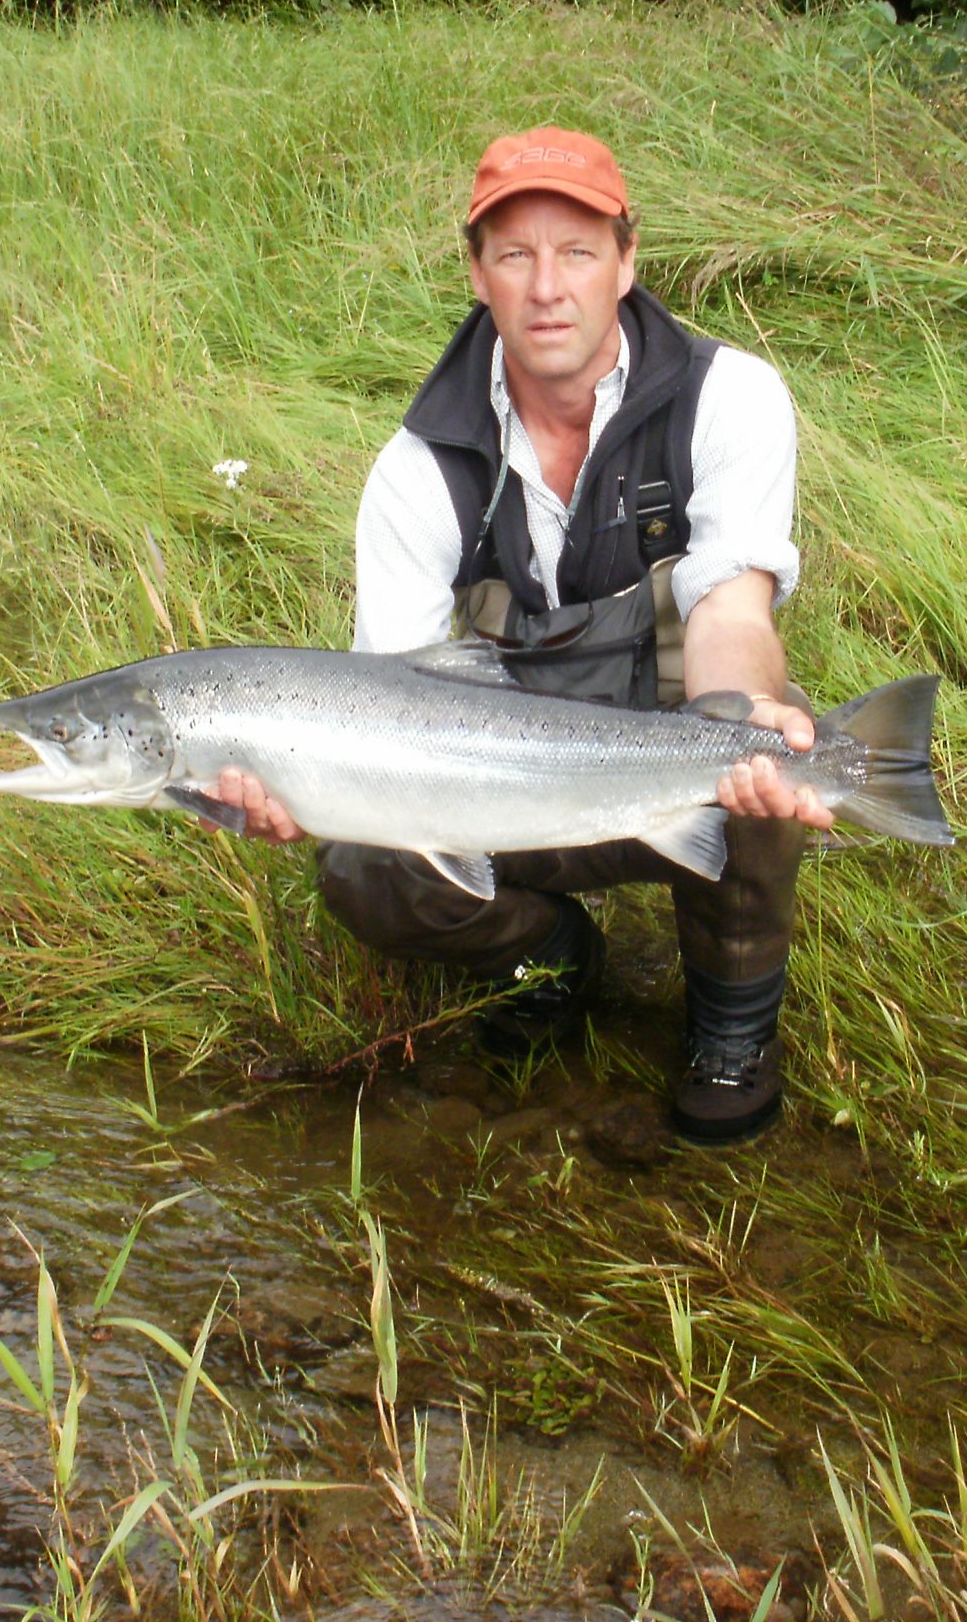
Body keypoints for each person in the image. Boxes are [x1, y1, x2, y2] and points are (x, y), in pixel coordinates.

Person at [210, 126, 826, 1143]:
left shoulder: (732, 398)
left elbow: (731, 603)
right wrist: (299, 792)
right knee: (361, 862)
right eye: (515, 254)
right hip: (497, 778)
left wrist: (745, 709)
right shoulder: (418, 469)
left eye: (577, 251)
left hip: (672, 750)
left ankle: (732, 1025)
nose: (548, 288)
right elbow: (384, 710)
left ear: (627, 262)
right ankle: (545, 955)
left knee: (770, 739)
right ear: (478, 274)